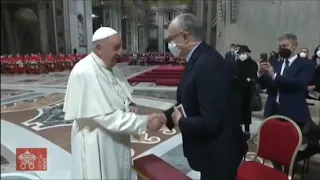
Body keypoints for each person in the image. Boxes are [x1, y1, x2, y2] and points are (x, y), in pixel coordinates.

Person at [63, 27, 166, 179]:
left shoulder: (112, 67)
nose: (121, 52)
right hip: (98, 141)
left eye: (121, 46)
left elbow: (122, 96)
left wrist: (129, 106)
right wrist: (146, 121)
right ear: (99, 48)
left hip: (116, 137)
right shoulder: (84, 72)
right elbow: (107, 117)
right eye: (116, 48)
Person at [160, 13, 244, 180]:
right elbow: (189, 102)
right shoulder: (197, 58)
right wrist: (165, 118)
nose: (170, 44)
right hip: (210, 151)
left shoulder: (208, 63)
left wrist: (180, 121)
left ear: (185, 36)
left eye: (171, 39)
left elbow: (210, 121)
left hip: (219, 154)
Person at [234, 45, 258, 138]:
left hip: (247, 91)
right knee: (237, 110)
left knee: (246, 111)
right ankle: (238, 128)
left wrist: (250, 79)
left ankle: (247, 129)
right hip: (237, 91)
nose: (242, 55)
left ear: (248, 54)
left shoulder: (252, 64)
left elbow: (255, 77)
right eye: (241, 53)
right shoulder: (237, 63)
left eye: (244, 53)